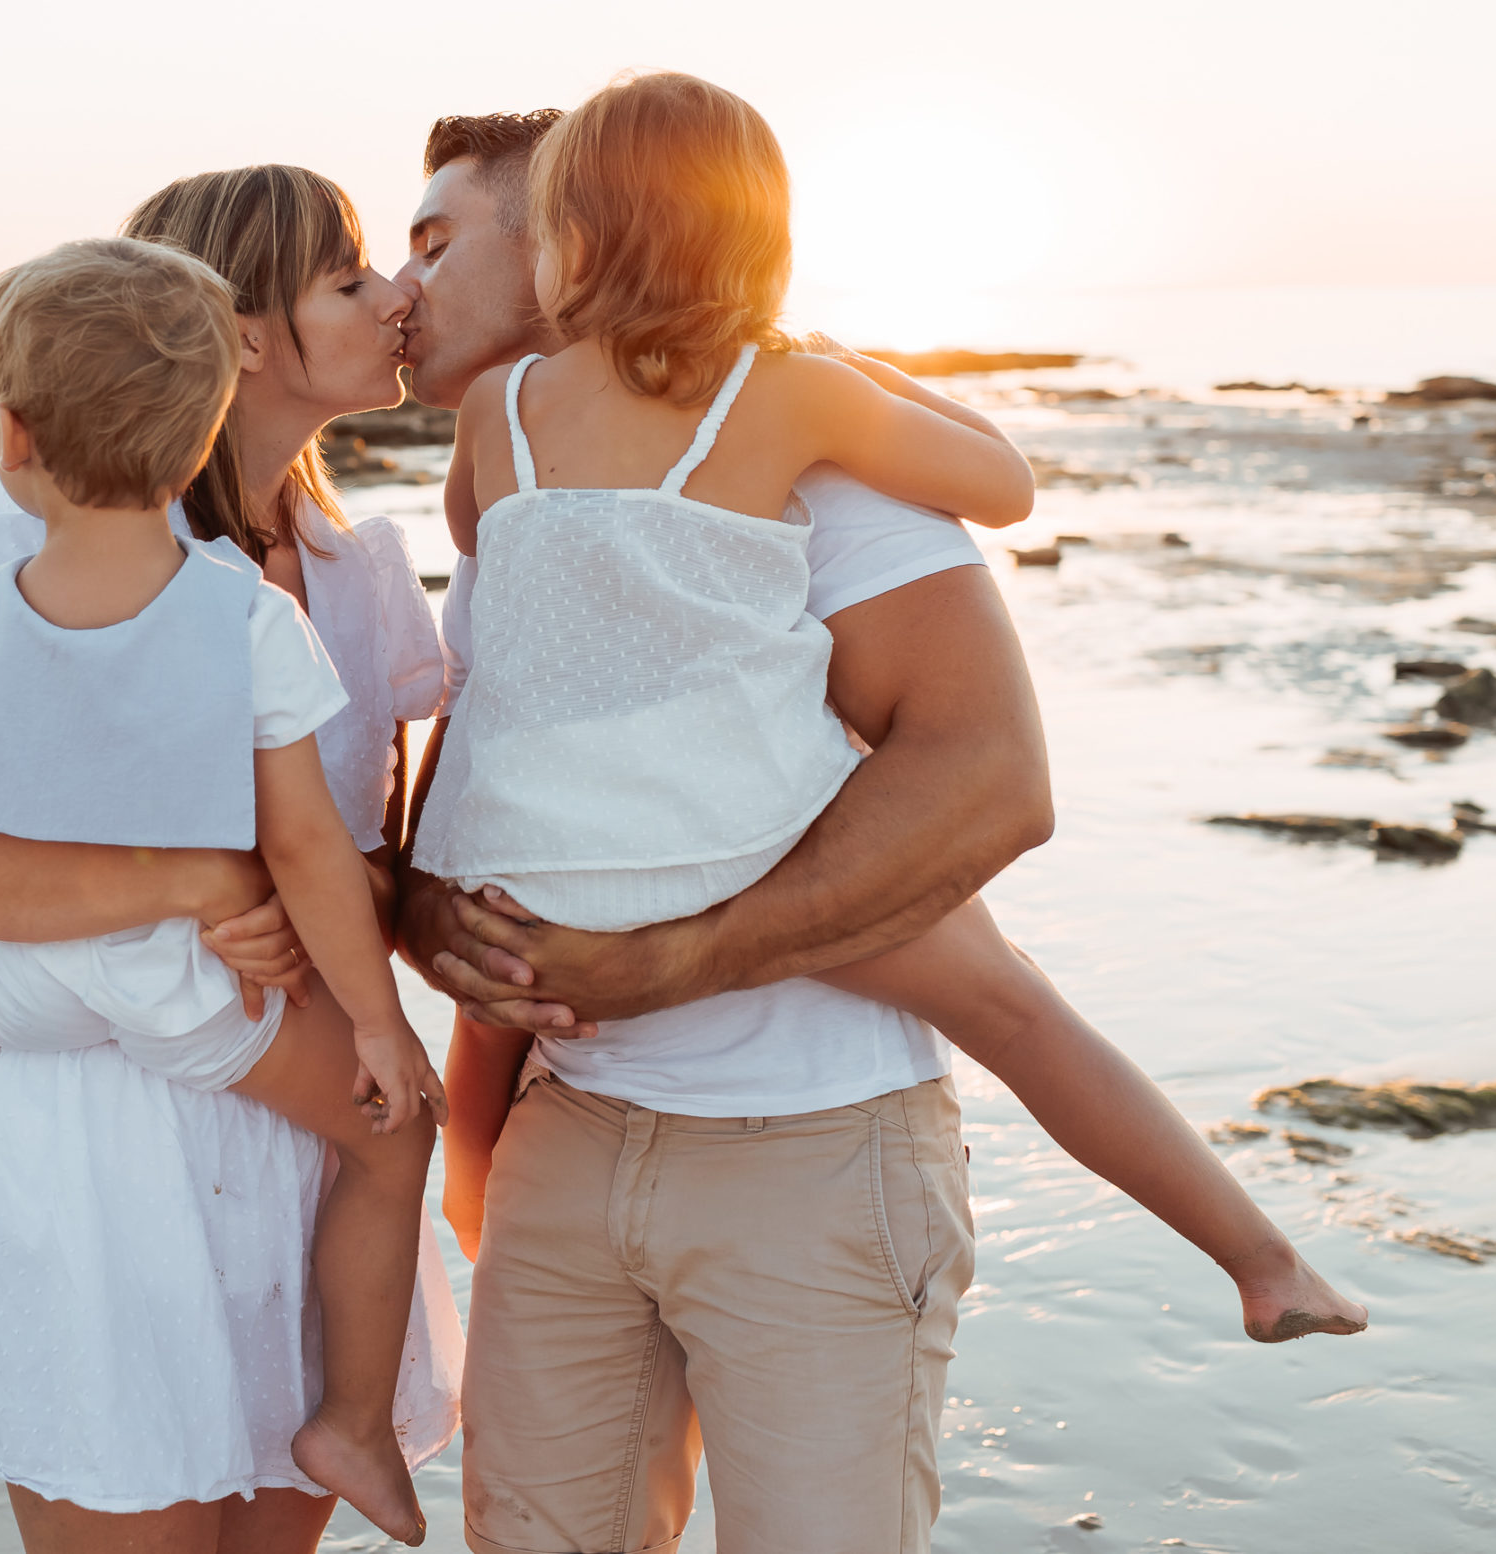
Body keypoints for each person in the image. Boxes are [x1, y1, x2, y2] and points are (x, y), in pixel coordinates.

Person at [395, 87, 1362, 1554]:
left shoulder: (497, 422)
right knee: (1026, 1017)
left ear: (559, 243)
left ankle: (1259, 1253)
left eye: (433, 242)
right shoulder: (791, 398)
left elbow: (498, 569)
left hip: (743, 1069)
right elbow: (1009, 479)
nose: (403, 287)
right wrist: (834, 371)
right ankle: (1260, 1254)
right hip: (711, 883)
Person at [0, 168, 463, 1554]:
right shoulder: (31, 546)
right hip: (101, 1157)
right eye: (351, 278)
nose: (399, 295)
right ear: (237, 330)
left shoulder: (356, 567)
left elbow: (367, 862)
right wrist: (197, 889)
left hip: (294, 1142)